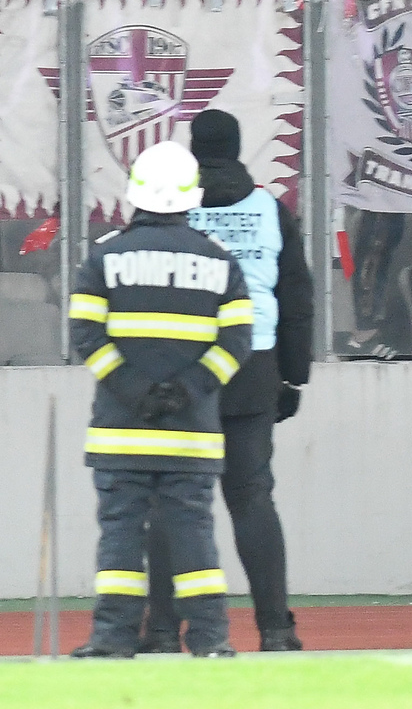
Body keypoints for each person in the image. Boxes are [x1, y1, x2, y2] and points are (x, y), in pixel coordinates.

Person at [135, 110, 310, 654]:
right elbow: (296, 298)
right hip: (254, 365)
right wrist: (293, 376)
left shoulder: (173, 207)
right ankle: (276, 630)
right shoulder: (269, 210)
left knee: (171, 499)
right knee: (252, 497)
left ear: (192, 149)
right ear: (238, 148)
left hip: (181, 365)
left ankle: (163, 632)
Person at [66, 141, 249, 659]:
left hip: (120, 429)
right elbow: (235, 344)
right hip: (190, 432)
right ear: (193, 197)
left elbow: (86, 334)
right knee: (194, 539)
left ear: (135, 196)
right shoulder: (220, 262)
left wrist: (134, 391)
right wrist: (184, 391)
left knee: (120, 538)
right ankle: (211, 640)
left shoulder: (104, 257)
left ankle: (112, 640)